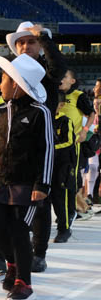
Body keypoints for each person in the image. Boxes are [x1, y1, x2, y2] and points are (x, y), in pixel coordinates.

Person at [0, 22, 65, 272]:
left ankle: (38, 253)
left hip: (40, 146)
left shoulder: (45, 71)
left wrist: (45, 38)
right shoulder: (11, 74)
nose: (25, 46)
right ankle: (0, 255)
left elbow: (59, 69)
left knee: (40, 203)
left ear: (41, 45)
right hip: (9, 143)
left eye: (31, 41)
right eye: (21, 42)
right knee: (0, 206)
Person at [0, 54, 52, 300]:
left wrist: (42, 185)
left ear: (17, 84)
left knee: (19, 231)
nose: (0, 85)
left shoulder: (40, 113)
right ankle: (12, 264)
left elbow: (47, 150)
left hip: (27, 186)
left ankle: (24, 282)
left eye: (4, 79)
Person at [53, 69, 95, 241]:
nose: (61, 79)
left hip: (72, 145)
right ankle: (67, 212)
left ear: (72, 81)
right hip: (54, 145)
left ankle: (71, 212)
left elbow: (91, 114)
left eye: (65, 77)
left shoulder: (78, 96)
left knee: (70, 180)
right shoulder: (53, 93)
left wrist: (84, 131)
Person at [52, 93, 77, 246]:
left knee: (60, 199)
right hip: (46, 166)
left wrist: (50, 148)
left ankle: (64, 229)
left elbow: (68, 142)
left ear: (61, 105)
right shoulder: (43, 119)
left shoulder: (65, 121)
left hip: (62, 166)